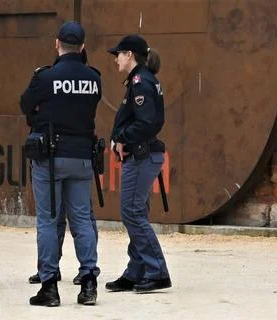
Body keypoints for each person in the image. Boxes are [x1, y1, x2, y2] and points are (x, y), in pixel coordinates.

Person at [20, 21, 102, 306]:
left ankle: (50, 286)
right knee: (82, 219)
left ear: (57, 44)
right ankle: (89, 282)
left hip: (51, 158)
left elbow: (25, 106)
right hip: (82, 157)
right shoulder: (94, 77)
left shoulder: (45, 77)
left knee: (48, 219)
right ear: (82, 47)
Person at [105, 34, 172, 293]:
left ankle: (156, 270)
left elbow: (148, 122)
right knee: (136, 213)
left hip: (142, 155)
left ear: (130, 55)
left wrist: (121, 137)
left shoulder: (140, 81)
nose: (116, 60)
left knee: (131, 213)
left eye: (118, 54)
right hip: (141, 155)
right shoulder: (140, 81)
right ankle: (137, 270)